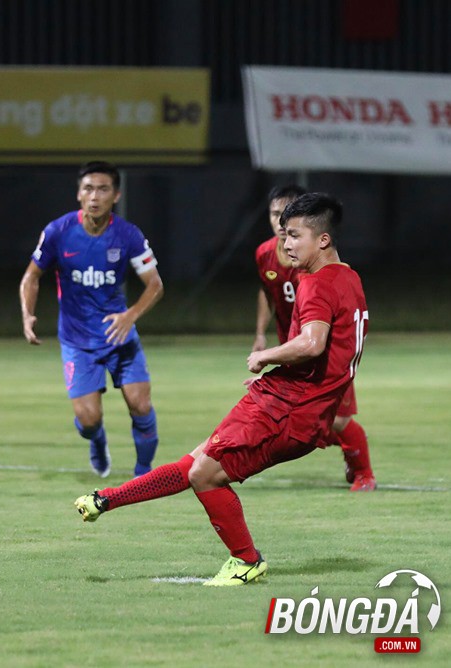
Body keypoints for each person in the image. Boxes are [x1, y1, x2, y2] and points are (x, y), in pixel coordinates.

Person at [75, 193, 368, 586]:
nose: (286, 244)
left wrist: (266, 357)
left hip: (291, 410)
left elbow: (313, 343)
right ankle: (107, 499)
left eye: (295, 235)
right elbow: (328, 352)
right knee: (197, 462)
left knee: (206, 474)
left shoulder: (316, 284)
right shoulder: (349, 277)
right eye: (284, 234)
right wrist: (279, 372)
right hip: (288, 398)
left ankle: (246, 560)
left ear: (323, 240)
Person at [19, 161, 164, 478]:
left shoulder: (128, 236)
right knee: (88, 420)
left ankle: (143, 474)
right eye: (88, 189)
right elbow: (31, 277)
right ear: (78, 194)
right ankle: (96, 441)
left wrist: (131, 315)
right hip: (77, 340)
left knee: (140, 405)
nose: (94, 196)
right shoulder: (58, 232)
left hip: (118, 336)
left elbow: (155, 284)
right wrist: (28, 314)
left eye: (103, 189)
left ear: (116, 195)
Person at [253, 184, 375, 492]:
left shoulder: (317, 267)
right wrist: (261, 336)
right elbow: (267, 295)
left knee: (336, 421)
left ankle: (364, 472)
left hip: (323, 348)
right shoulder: (265, 255)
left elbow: (321, 326)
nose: (281, 224)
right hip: (292, 346)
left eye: (288, 217)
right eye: (275, 215)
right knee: (301, 419)